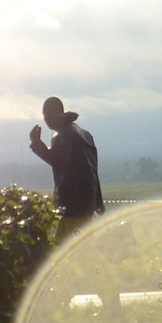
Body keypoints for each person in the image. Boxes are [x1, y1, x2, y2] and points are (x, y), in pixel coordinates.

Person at [28, 96, 103, 237]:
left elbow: (58, 162)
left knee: (67, 249)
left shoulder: (62, 136)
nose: (45, 120)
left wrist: (36, 143)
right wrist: (98, 201)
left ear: (52, 115)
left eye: (46, 115)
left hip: (72, 207)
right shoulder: (85, 134)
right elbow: (93, 169)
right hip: (87, 203)